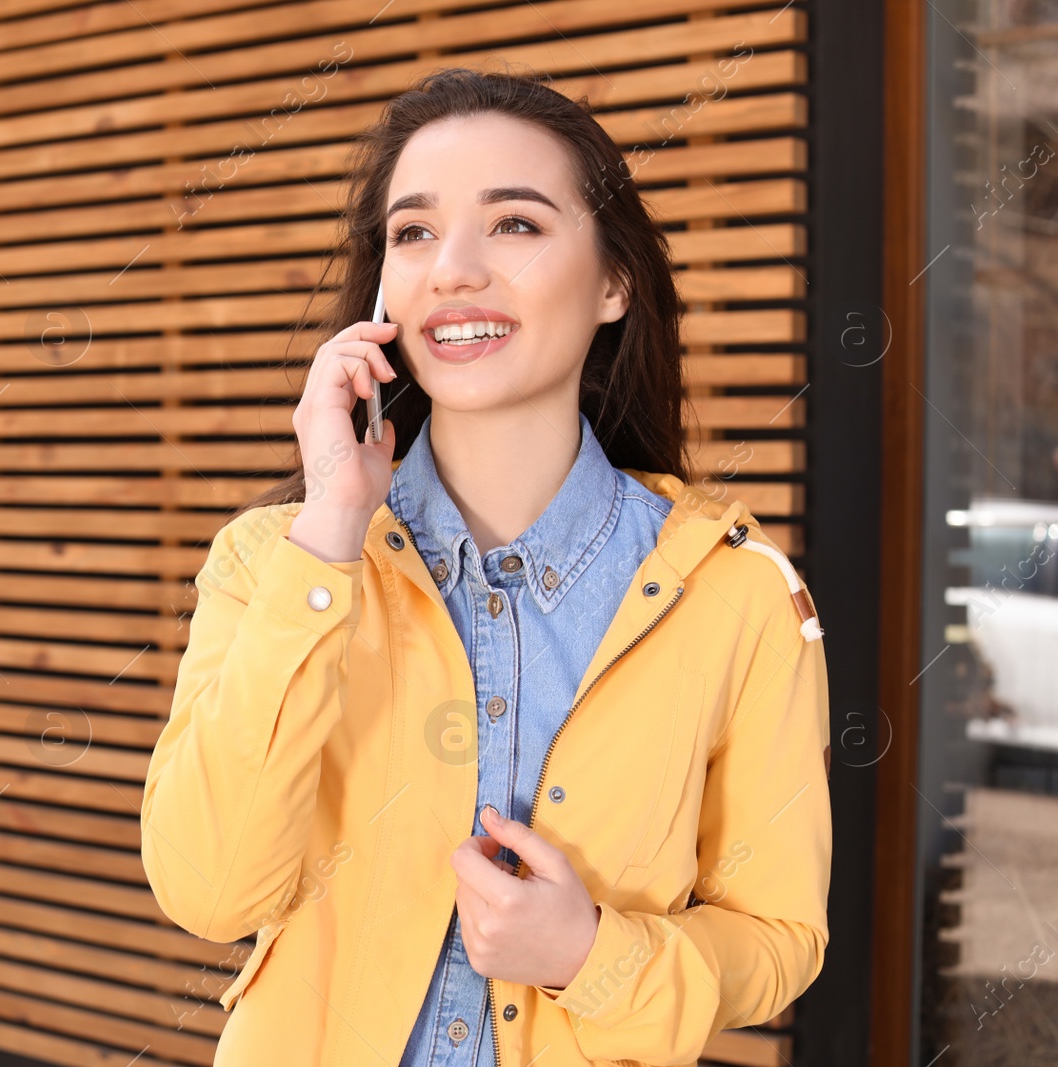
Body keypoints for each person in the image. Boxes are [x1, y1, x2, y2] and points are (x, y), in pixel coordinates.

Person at [141, 67, 831, 1067]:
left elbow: (779, 937)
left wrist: (592, 953)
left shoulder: (736, 592)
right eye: (412, 232)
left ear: (612, 282)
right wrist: (333, 525)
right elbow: (209, 891)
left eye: (513, 223)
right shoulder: (274, 562)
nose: (450, 269)